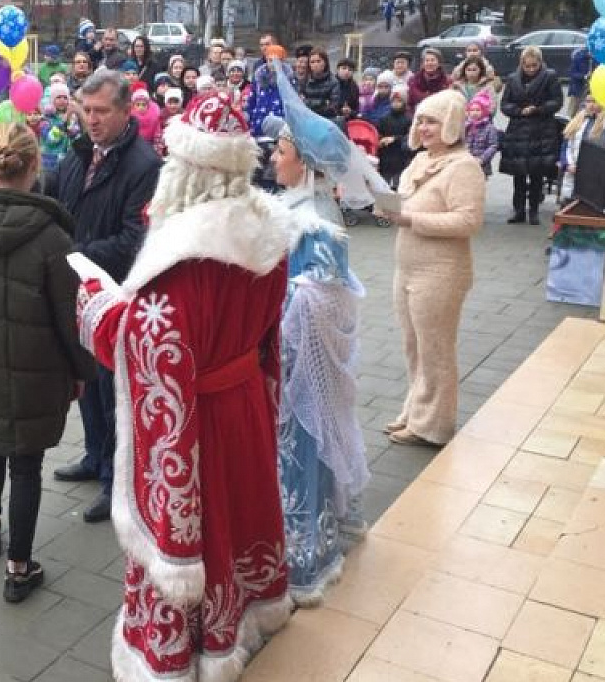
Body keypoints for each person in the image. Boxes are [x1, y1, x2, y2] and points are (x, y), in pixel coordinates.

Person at [74, 92, 292, 682]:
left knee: (203, 524)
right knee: (242, 511)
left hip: (201, 421)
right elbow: (270, 336)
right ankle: (240, 621)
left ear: (187, 169)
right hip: (244, 401)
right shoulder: (270, 237)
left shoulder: (179, 260)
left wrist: (95, 306)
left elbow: (148, 349)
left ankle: (182, 652)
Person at [0, 122, 94, 603]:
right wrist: (82, 372)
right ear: (33, 167)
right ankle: (20, 567)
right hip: (34, 368)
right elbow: (70, 321)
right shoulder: (51, 239)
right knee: (25, 464)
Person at [264, 113, 369, 607]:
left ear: (302, 163)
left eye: (280, 152)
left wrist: (274, 314)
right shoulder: (296, 207)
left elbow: (323, 298)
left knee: (301, 449)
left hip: (298, 361)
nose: (271, 158)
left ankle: (306, 550)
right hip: (285, 355)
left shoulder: (316, 222)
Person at [47, 69, 160, 523]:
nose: (91, 120)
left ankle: (117, 483)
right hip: (79, 292)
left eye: (101, 111)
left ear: (126, 111)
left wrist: (70, 254)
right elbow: (58, 208)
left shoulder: (144, 165)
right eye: (86, 110)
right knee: (86, 386)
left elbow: (133, 239)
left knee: (114, 396)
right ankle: (95, 458)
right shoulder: (79, 153)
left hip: (115, 295)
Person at [377, 90, 485, 447]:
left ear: (451, 124)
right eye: (420, 120)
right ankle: (415, 413)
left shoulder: (464, 167)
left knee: (435, 349)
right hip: (406, 269)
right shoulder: (419, 161)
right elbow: (406, 206)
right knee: (414, 347)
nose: (423, 128)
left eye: (432, 121)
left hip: (440, 273)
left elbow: (468, 221)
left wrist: (408, 218)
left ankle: (434, 426)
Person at [499, 46, 562, 225]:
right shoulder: (512, 79)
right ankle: (518, 210)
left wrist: (539, 109)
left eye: (534, 65)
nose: (531, 69)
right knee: (518, 174)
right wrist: (519, 111)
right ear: (522, 64)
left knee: (537, 173)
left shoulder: (550, 76)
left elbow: (557, 101)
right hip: (518, 130)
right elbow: (505, 104)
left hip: (541, 129)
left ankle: (533, 211)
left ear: (540, 63)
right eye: (528, 66)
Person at [559, 94, 605, 201]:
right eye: (588, 101)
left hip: (593, 175)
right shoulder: (578, 118)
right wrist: (567, 164)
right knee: (567, 203)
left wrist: (588, 169)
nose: (590, 105)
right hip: (572, 170)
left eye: (594, 102)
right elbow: (566, 144)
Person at [376, 86, 413, 189]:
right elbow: (378, 134)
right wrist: (381, 140)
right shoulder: (384, 119)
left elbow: (410, 137)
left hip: (401, 157)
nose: (396, 103)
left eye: (399, 101)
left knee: (399, 185)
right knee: (384, 186)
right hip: (386, 157)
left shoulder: (408, 119)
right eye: (394, 101)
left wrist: (395, 138)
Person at [465, 93, 501, 177]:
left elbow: (493, 145)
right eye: (472, 110)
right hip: (465, 162)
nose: (474, 113)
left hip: (481, 164)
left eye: (478, 110)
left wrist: (482, 159)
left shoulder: (489, 128)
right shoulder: (466, 126)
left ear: (484, 111)